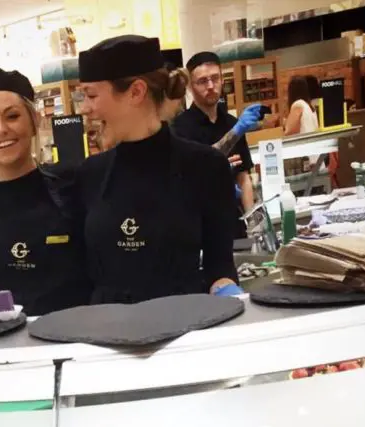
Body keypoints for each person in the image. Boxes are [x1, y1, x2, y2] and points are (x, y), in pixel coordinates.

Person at [77, 35, 239, 303]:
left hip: (182, 332)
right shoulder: (89, 175)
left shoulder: (206, 167)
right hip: (108, 336)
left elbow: (219, 267)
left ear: (136, 92)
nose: (84, 109)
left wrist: (227, 291)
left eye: (91, 95)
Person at [0, 68, 90, 314]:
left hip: (76, 341)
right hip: (7, 348)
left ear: (35, 121)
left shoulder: (73, 184)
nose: (0, 129)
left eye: (12, 116)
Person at [172, 51, 255, 227]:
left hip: (234, 222)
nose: (210, 86)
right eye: (202, 81)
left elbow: (244, 177)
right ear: (190, 87)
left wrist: (252, 221)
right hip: (199, 224)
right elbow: (184, 180)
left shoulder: (233, 123)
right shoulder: (180, 128)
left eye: (215, 78)